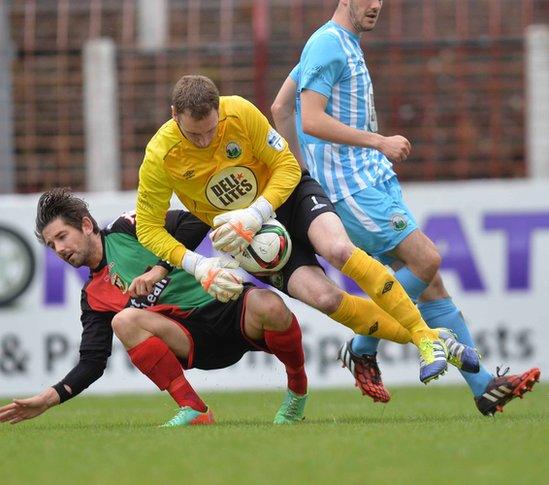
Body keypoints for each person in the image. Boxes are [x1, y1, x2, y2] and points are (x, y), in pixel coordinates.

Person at [270, 0, 540, 415]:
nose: (376, 5)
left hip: (368, 183)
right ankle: (361, 347)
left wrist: (302, 173)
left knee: (430, 284)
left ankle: (482, 389)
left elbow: (280, 109)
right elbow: (308, 118)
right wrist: (374, 143)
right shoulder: (328, 45)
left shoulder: (340, 42)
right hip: (352, 190)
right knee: (428, 258)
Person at [135, 74, 480, 387]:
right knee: (327, 298)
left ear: (219, 109)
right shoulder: (160, 156)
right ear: (173, 115)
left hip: (288, 199)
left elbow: (286, 165)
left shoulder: (238, 112)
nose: (205, 140)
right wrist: (199, 265)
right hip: (251, 242)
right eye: (194, 134)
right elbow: (149, 229)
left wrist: (257, 212)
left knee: (340, 250)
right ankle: (436, 339)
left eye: (211, 129)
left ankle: (423, 337)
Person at [0, 188, 309, 427]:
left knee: (271, 304)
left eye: (62, 237)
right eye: (52, 245)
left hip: (227, 307)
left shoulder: (128, 227)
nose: (59, 249)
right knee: (124, 321)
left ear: (85, 225)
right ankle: (194, 410)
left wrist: (159, 269)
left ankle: (297, 390)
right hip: (191, 340)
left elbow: (195, 221)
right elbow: (93, 361)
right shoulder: (93, 296)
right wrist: (49, 397)